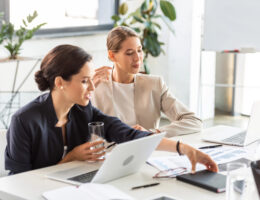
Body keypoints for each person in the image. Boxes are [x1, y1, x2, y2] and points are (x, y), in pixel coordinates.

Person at [5, 44, 217, 175]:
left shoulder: (83, 110)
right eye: (85, 81)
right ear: (60, 82)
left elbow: (129, 134)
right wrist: (70, 159)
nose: (93, 87)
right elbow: (18, 181)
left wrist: (184, 148)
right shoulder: (24, 120)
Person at [92, 26, 202, 137]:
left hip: (147, 151)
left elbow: (194, 121)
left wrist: (151, 133)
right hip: (109, 153)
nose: (137, 58)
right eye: (129, 53)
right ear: (112, 55)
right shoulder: (96, 87)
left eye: (139, 50)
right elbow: (79, 126)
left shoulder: (154, 84)